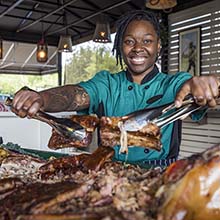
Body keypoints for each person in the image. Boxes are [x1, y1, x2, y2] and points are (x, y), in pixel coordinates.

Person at [11, 10, 219, 168]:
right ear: (121, 46)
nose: (138, 48)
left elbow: (189, 87)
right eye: (129, 41)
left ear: (158, 47)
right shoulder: (107, 83)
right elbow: (74, 95)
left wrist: (202, 86)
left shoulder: (173, 84)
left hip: (160, 173)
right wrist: (41, 98)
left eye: (147, 41)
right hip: (110, 171)